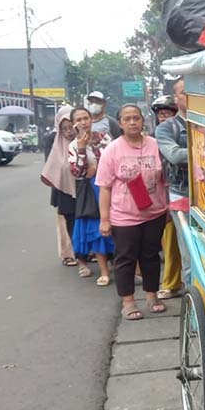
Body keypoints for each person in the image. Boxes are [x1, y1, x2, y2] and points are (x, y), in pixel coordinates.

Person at [97, 104, 168, 320]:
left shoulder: (156, 145)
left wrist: (168, 208)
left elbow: (165, 179)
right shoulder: (112, 150)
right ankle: (128, 302)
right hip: (124, 216)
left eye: (136, 118)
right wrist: (105, 219)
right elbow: (105, 187)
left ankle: (152, 296)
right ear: (120, 123)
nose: (132, 122)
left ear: (142, 121)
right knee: (125, 258)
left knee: (151, 256)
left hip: (155, 213)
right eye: (127, 119)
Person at [67, 107, 114, 285]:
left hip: (110, 186)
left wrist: (97, 166)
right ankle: (104, 271)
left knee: (119, 226)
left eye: (86, 118)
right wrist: (81, 147)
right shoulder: (73, 145)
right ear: (73, 123)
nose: (83, 122)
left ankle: (123, 265)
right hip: (91, 191)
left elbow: (113, 160)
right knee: (96, 229)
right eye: (78, 119)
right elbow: (78, 172)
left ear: (91, 119)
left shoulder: (103, 138)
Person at [155, 79, 191, 292]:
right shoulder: (167, 128)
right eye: (185, 92)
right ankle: (193, 300)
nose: (190, 95)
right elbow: (175, 155)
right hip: (183, 195)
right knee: (190, 254)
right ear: (176, 99)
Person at [151, 93, 183, 299]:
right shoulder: (153, 138)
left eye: (167, 113)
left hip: (179, 190)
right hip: (160, 194)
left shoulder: (182, 133)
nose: (163, 117)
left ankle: (173, 283)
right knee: (168, 241)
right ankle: (171, 283)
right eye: (160, 114)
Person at [41, 105, 77, 266]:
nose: (69, 131)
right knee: (65, 221)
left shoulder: (82, 138)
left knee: (83, 219)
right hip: (61, 187)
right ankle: (68, 253)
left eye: (72, 126)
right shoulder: (53, 139)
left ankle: (85, 252)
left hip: (82, 187)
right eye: (65, 128)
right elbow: (51, 164)